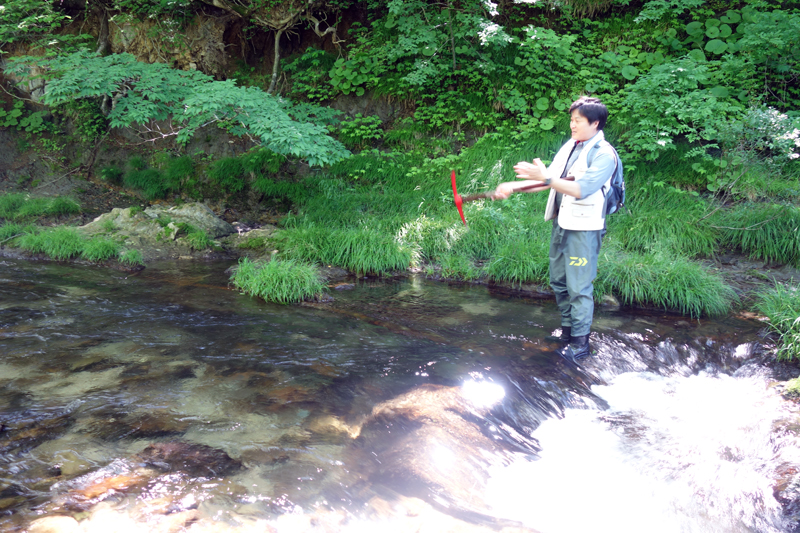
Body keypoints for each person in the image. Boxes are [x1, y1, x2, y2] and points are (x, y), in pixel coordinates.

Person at [492, 96, 617, 362]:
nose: (572, 125)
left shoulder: (605, 154)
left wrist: (546, 177)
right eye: (571, 120)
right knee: (559, 282)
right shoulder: (572, 145)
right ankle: (568, 333)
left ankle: (581, 344)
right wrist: (513, 187)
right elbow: (553, 181)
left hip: (584, 230)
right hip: (562, 223)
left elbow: (581, 189)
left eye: (577, 121)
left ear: (595, 123)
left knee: (579, 287)